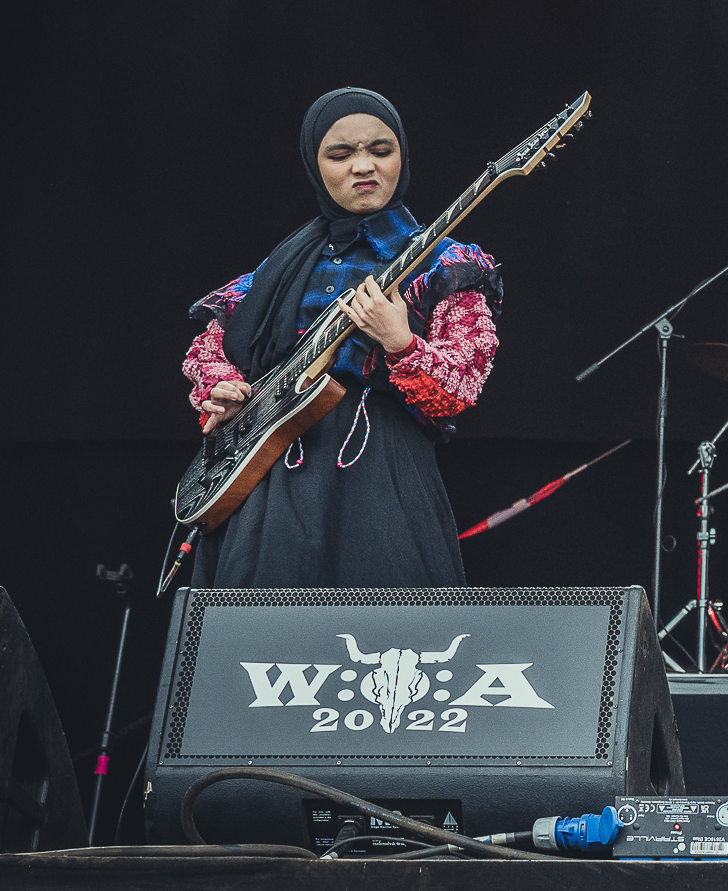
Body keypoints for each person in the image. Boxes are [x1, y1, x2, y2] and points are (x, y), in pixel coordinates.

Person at [182, 88, 503, 587]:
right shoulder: (284, 263)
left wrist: (400, 342)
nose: (363, 166)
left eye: (381, 150)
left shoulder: (444, 262)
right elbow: (211, 344)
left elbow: (461, 387)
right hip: (270, 477)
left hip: (382, 478)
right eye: (340, 154)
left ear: (402, 157)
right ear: (315, 166)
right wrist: (220, 386)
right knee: (262, 626)